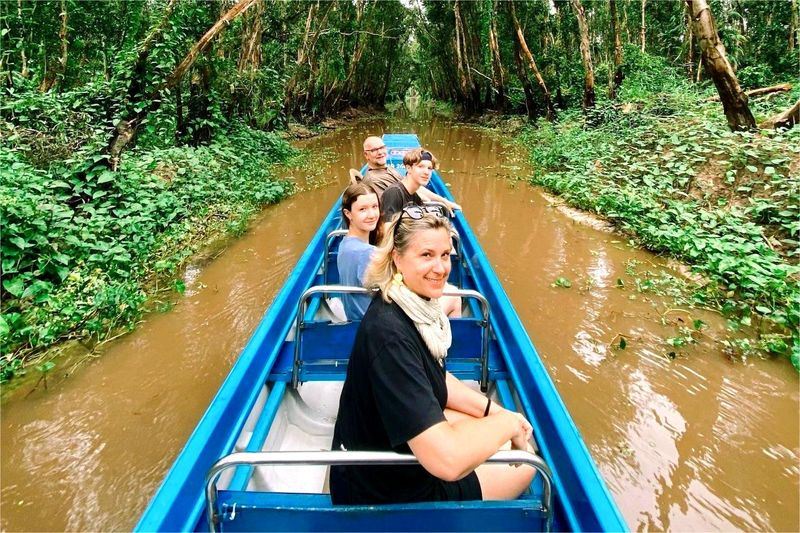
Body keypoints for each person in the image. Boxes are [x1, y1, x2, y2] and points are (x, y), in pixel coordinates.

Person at [329, 208, 536, 505]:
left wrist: (496, 412)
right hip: (381, 487)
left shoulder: (408, 305)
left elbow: (434, 376)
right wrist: (510, 425)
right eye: (426, 255)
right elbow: (447, 462)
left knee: (491, 429)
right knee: (528, 465)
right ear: (397, 258)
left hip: (385, 449)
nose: (440, 268)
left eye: (445, 255)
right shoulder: (390, 334)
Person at [361, 136, 461, 213]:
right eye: (374, 150)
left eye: (382, 147)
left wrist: (444, 201)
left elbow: (414, 186)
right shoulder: (373, 180)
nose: (380, 152)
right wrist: (423, 199)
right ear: (366, 155)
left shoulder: (388, 169)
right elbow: (388, 209)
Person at [337, 182, 381, 320]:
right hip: (371, 321)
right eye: (363, 209)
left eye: (375, 207)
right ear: (348, 213)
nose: (372, 215)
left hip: (354, 317)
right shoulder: (367, 252)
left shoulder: (344, 243)